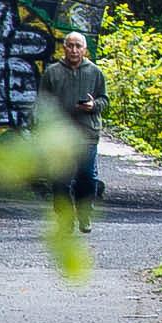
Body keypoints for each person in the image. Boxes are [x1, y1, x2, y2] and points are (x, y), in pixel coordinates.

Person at [35, 29, 108, 228]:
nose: (74, 50)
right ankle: (64, 218)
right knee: (61, 180)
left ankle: (84, 214)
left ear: (85, 49)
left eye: (78, 46)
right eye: (70, 45)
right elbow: (43, 102)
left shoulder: (95, 72)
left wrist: (94, 106)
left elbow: (104, 100)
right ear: (64, 47)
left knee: (87, 178)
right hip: (60, 135)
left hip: (87, 133)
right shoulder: (52, 72)